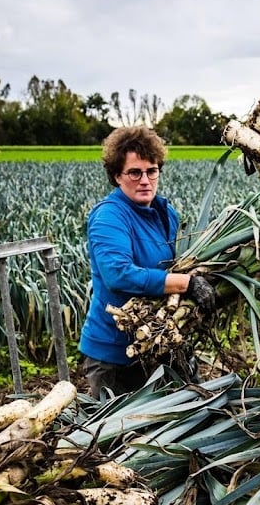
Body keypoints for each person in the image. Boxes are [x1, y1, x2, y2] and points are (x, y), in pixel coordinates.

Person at [79, 126, 216, 399]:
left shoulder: (165, 213)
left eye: (151, 171)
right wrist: (186, 284)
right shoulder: (109, 217)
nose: (145, 180)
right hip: (116, 355)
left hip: (161, 340)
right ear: (117, 176)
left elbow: (176, 264)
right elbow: (119, 275)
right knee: (121, 438)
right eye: (135, 172)